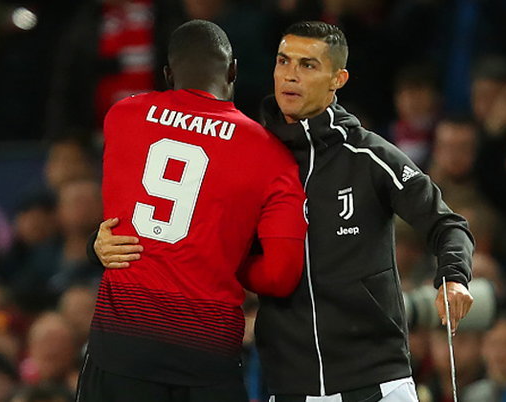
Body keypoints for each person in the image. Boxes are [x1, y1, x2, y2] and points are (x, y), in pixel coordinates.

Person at [92, 21, 474, 401]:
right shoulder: (250, 151)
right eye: (283, 61)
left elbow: (447, 223)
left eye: (308, 65)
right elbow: (177, 222)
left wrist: (454, 276)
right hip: (291, 386)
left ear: (338, 79)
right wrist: (105, 238)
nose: (291, 75)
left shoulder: (369, 156)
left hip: (376, 381)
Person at [78, 20, 307, 402]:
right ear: (233, 71)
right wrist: (225, 257)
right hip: (208, 358)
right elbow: (282, 275)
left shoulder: (122, 115)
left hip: (121, 349)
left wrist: (95, 246)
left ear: (168, 74)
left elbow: (120, 220)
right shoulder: (272, 156)